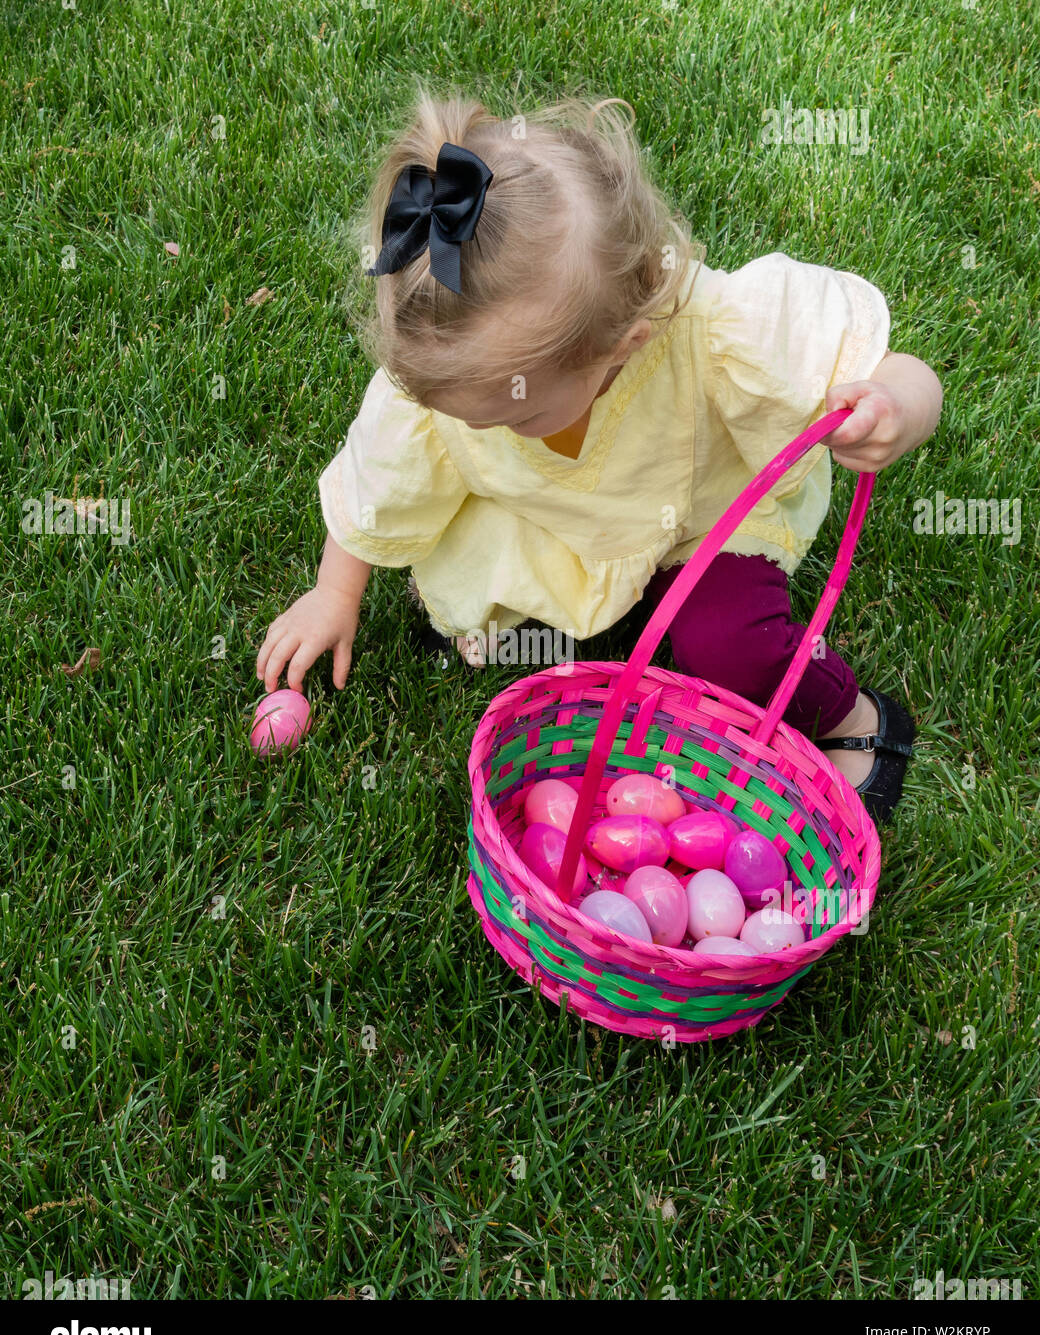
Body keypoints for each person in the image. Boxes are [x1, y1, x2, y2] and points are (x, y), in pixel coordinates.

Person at [256, 86, 942, 823]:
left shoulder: (715, 331)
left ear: (624, 347)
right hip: (554, 521)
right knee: (488, 620)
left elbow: (894, 366)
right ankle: (579, 601)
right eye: (460, 414)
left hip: (701, 520)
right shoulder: (455, 390)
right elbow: (378, 477)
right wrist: (337, 592)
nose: (478, 428)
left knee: (728, 646)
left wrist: (897, 405)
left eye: (512, 413)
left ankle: (854, 719)